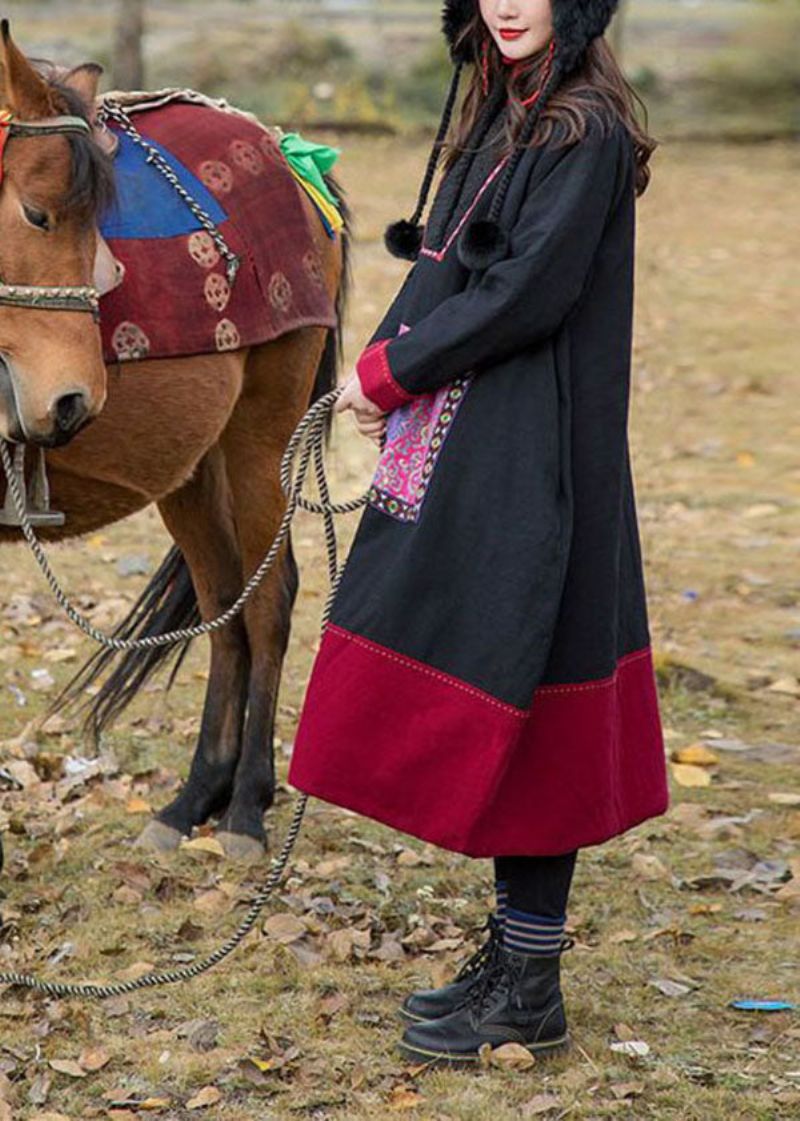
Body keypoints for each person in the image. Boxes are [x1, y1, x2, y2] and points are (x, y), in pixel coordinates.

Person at [288, 0, 669, 1065]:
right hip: (476, 434)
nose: (508, 3)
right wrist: (371, 366)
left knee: (534, 690)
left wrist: (393, 374)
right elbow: (445, 269)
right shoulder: (503, 112)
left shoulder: (579, 129)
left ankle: (530, 983)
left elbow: (525, 293)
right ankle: (512, 956)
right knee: (504, 679)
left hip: (537, 450)